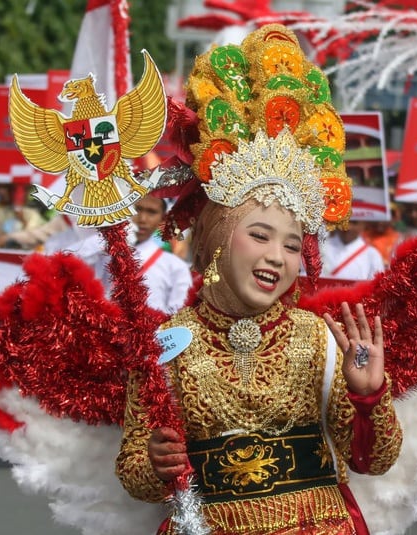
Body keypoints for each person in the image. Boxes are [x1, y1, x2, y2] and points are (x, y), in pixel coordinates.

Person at [114, 26, 402, 534]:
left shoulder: (319, 339)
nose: (278, 257)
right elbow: (133, 468)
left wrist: (369, 397)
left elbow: (374, 462)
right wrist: (154, 464)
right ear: (219, 240)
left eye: (293, 245)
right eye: (261, 235)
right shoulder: (167, 343)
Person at [83, 195, 192, 314]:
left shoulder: (175, 266)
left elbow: (178, 313)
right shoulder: (102, 250)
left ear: (163, 218)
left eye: (151, 212)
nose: (142, 219)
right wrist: (111, 239)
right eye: (137, 209)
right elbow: (68, 262)